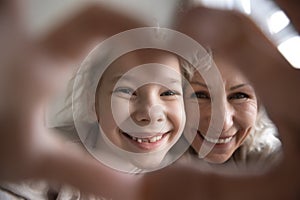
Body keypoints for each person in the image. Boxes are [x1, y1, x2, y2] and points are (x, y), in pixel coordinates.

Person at [179, 52, 281, 174]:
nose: (223, 124)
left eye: (239, 96)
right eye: (200, 95)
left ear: (260, 105)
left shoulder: (272, 157)